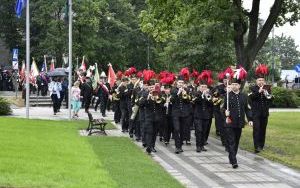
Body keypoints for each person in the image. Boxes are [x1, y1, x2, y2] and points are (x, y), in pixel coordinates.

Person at [221, 67, 253, 169]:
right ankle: (234, 161)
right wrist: (225, 112)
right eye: (232, 84)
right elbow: (222, 108)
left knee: (236, 141)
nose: (234, 86)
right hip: (229, 121)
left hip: (239, 122)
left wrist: (250, 119)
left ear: (239, 86)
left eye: (236, 84)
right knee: (231, 141)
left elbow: (247, 109)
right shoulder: (227, 96)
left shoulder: (244, 96)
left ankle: (231, 156)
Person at [248, 64, 273, 153]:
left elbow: (270, 99)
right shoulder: (252, 88)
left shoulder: (268, 88)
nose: (261, 81)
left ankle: (261, 145)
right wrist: (259, 91)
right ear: (256, 81)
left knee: (263, 130)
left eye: (262, 80)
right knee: (256, 130)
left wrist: (267, 92)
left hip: (264, 113)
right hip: (256, 113)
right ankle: (256, 146)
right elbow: (252, 98)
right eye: (259, 80)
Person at [171, 68, 193, 154]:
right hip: (176, 113)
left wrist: (185, 94)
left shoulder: (187, 90)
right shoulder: (173, 90)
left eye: (182, 83)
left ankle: (180, 145)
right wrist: (178, 93)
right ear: (177, 83)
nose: (181, 84)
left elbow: (189, 101)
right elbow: (172, 101)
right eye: (179, 83)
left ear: (184, 84)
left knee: (183, 130)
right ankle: (177, 146)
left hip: (184, 113)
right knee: (176, 129)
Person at [192, 70, 214, 152]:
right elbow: (195, 102)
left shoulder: (209, 94)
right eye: (202, 87)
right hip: (198, 115)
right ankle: (198, 146)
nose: (204, 88)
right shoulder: (196, 93)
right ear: (199, 87)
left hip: (206, 116)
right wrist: (202, 95)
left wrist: (208, 98)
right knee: (199, 131)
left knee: (204, 131)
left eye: (205, 87)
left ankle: (202, 145)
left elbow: (212, 104)